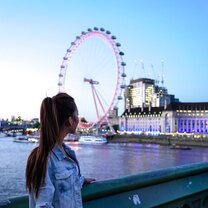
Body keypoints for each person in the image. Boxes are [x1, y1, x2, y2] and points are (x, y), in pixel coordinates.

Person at [26, 92, 95, 208]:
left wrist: (80, 180)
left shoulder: (67, 152)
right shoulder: (45, 159)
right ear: (70, 120)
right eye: (77, 114)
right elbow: (43, 205)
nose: (79, 119)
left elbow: (63, 186)